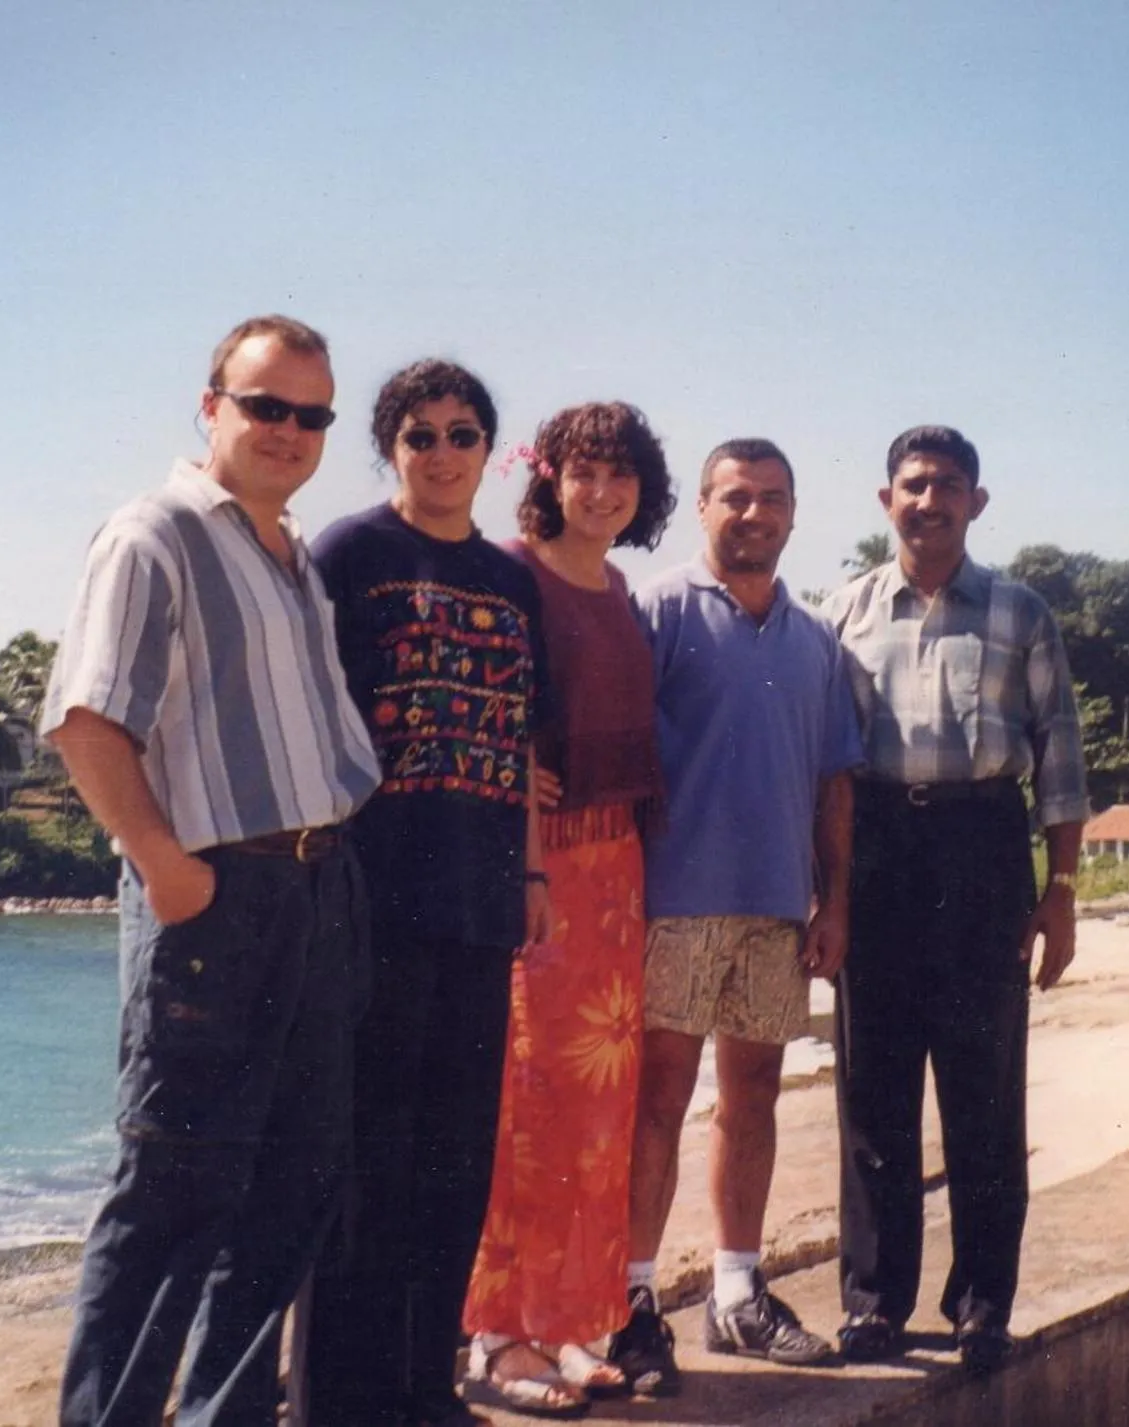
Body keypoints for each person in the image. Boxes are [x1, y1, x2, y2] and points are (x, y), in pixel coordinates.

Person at [40, 314, 381, 1427]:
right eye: (264, 404)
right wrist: (166, 869)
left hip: (317, 889)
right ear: (211, 406)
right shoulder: (157, 533)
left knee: (291, 1188)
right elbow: (88, 722)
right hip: (215, 899)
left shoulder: (288, 556)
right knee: (175, 1189)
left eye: (310, 412)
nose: (288, 428)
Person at [297, 358, 550, 1427]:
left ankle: (423, 1389)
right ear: (389, 447)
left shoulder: (511, 577)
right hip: (374, 893)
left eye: (461, 433)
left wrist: (533, 869)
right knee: (365, 1160)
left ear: (489, 450)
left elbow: (525, 736)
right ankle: (336, 1402)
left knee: (452, 1159)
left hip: (483, 895)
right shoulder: (350, 552)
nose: (441, 452)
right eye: (419, 434)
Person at [821, 424, 1090, 1375]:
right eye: (912, 484)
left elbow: (1058, 756)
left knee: (984, 1093)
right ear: (884, 499)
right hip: (880, 847)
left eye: (947, 485)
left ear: (978, 501)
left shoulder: (1021, 614)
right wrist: (832, 891)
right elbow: (826, 770)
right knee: (873, 1094)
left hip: (983, 850)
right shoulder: (843, 612)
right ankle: (874, 1303)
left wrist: (1060, 895)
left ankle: (982, 1304)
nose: (928, 500)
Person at [609, 438, 863, 1390]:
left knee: (750, 1096)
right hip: (671, 904)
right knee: (659, 1101)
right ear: (703, 509)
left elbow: (834, 781)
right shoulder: (660, 610)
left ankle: (736, 1290)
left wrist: (830, 898)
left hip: (774, 911)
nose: (753, 514)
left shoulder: (816, 639)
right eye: (734, 498)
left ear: (795, 513)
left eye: (771, 499)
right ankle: (631, 1300)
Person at [459, 402, 677, 1416]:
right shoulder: (513, 572)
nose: (602, 491)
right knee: (527, 1107)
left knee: (597, 1113)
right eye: (583, 472)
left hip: (617, 874)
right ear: (546, 478)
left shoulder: (620, 587)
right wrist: (515, 792)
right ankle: (498, 1339)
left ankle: (568, 1325)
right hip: (544, 871)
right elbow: (481, 706)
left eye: (621, 473)